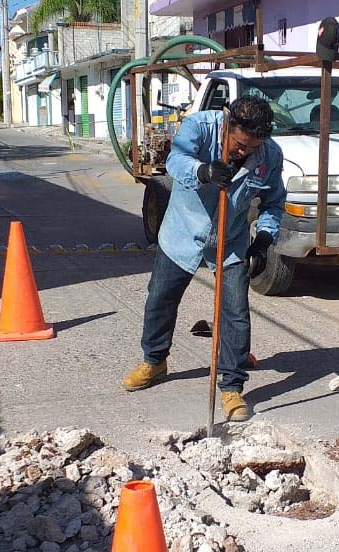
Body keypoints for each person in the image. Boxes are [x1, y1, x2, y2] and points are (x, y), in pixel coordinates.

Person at [122, 95, 286, 422]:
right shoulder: (199, 127)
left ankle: (232, 385)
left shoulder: (270, 154)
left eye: (251, 148)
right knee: (160, 298)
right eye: (239, 145)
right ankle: (154, 361)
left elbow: (273, 201)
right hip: (182, 231)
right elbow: (176, 160)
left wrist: (265, 237)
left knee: (235, 311)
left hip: (231, 239)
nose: (244, 152)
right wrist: (204, 170)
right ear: (228, 126)